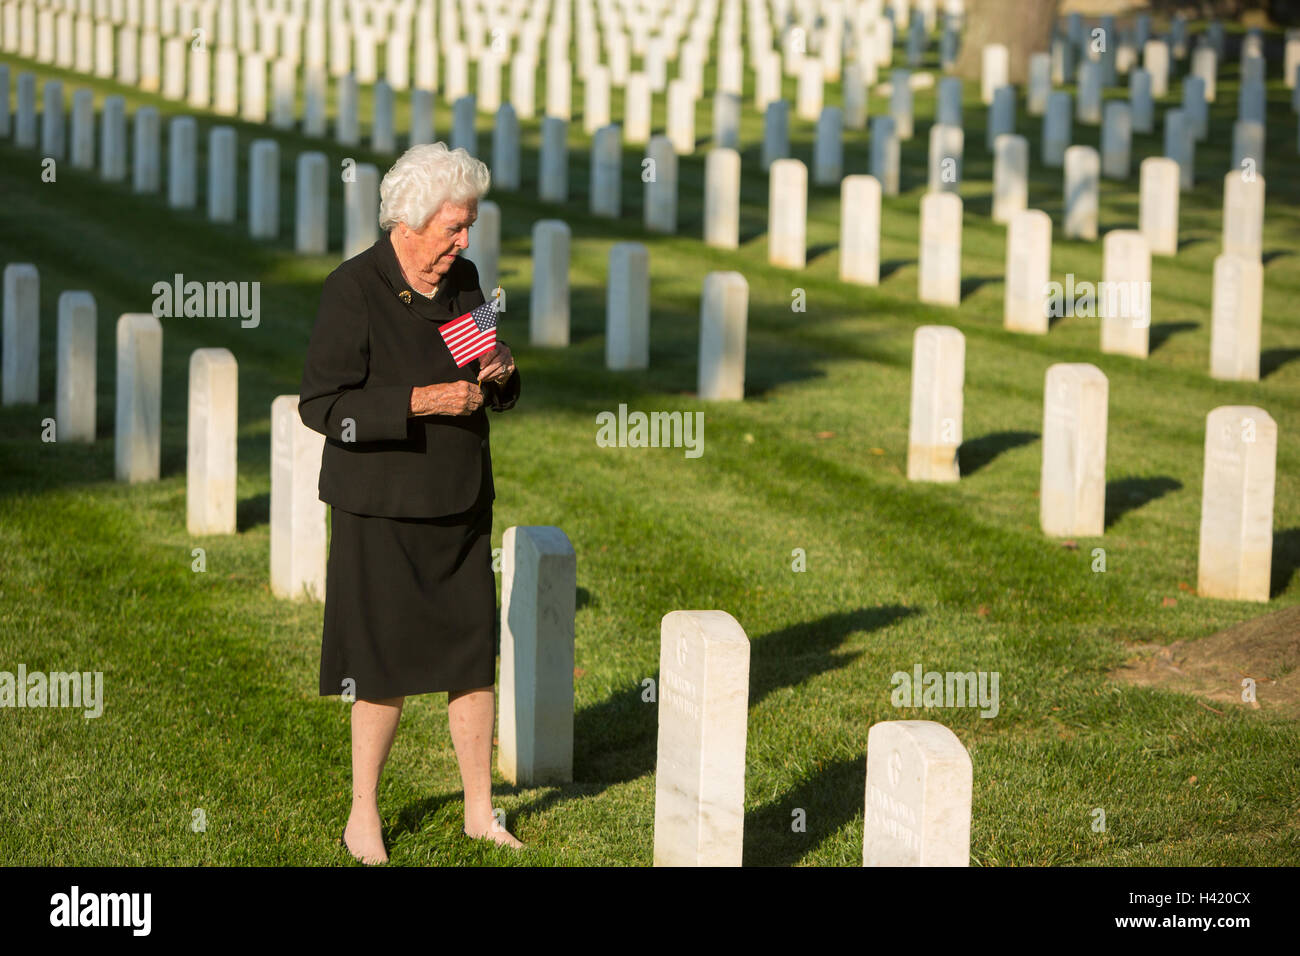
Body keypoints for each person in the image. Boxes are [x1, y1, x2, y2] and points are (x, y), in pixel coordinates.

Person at [299, 143, 522, 864]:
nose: (465, 241)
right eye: (454, 227)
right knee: (382, 665)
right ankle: (362, 813)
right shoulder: (354, 289)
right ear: (411, 219)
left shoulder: (462, 283)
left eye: (469, 226)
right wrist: (422, 402)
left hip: (458, 501)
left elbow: (484, 366)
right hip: (381, 507)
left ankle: (479, 810)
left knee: (471, 659)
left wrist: (500, 369)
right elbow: (324, 405)